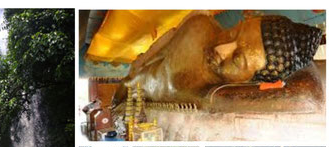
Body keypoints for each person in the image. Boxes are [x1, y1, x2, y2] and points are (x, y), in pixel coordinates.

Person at [113, 13, 322, 106]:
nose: (221, 48)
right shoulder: (200, 25)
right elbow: (167, 40)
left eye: (237, 60)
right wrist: (139, 62)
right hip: (133, 81)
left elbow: (309, 93)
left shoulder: (218, 94)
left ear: (250, 80)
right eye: (232, 33)